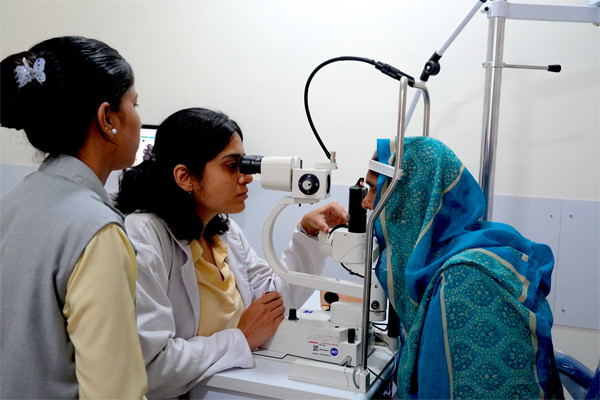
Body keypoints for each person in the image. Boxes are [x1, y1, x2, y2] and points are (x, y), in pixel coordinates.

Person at [114, 107, 348, 398]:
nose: (246, 177)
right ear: (185, 176)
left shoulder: (221, 230)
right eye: (231, 166)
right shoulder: (144, 234)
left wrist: (308, 233)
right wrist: (241, 338)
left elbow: (274, 301)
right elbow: (152, 366)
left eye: (245, 165)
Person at [0, 36, 147, 398]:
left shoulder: (13, 203)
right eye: (135, 103)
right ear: (108, 119)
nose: (140, 118)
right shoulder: (96, 232)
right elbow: (114, 392)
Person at [361, 136, 563, 399]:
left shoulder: (460, 285)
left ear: (410, 198)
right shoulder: (452, 252)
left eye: (375, 190)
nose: (367, 202)